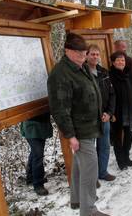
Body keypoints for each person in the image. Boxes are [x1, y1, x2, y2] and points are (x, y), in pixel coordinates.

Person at [47, 33, 109, 216]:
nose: (83, 56)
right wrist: (70, 135)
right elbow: (59, 108)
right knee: (90, 170)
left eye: (85, 52)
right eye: (79, 53)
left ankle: (76, 200)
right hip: (80, 130)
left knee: (80, 166)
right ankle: (88, 210)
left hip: (89, 125)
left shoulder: (79, 67)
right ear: (67, 51)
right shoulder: (61, 74)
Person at [86, 45, 116, 182]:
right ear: (86, 55)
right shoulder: (81, 72)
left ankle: (102, 172)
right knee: (89, 150)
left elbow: (112, 94)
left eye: (97, 54)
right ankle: (92, 177)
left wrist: (109, 113)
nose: (95, 57)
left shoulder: (104, 72)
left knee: (104, 146)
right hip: (90, 119)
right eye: (92, 54)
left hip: (105, 117)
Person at [109, 51, 132, 170]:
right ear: (113, 62)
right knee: (118, 138)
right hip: (117, 113)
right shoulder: (110, 76)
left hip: (131, 111)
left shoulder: (129, 73)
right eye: (118, 60)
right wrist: (111, 113)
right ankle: (120, 161)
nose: (121, 62)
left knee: (129, 136)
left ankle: (126, 158)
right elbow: (108, 96)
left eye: (122, 60)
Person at [21, 113, 53, 196]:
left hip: (42, 124)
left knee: (36, 152)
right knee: (38, 154)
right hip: (31, 125)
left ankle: (31, 177)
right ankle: (38, 184)